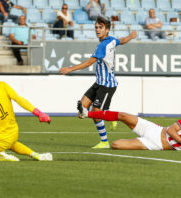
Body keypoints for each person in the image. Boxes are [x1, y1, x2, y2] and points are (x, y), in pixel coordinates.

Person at [59, 16, 137, 149]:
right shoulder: (111, 40)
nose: (97, 30)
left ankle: (104, 141)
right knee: (81, 111)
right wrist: (131, 35)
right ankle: (108, 115)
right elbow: (122, 41)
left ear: (107, 30)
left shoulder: (103, 45)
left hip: (107, 85)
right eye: (96, 27)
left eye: (100, 27)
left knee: (96, 113)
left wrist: (70, 69)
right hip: (98, 83)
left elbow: (89, 62)